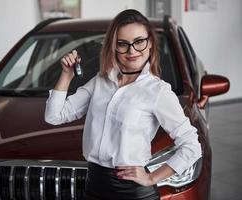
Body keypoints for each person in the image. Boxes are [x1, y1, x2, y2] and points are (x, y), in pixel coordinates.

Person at [45, 9, 202, 200]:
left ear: (150, 43)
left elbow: (192, 146)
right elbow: (54, 116)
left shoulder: (158, 91)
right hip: (94, 186)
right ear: (113, 46)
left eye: (139, 41)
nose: (131, 50)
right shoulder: (100, 82)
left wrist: (152, 177)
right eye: (123, 43)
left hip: (133, 192)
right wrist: (66, 75)